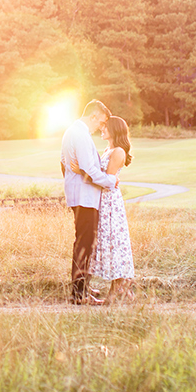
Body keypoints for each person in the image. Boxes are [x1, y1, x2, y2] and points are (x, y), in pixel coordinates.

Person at [61, 99, 118, 305]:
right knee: (85, 244)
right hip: (84, 197)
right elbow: (89, 170)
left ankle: (82, 287)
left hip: (78, 194)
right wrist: (111, 181)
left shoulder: (71, 132)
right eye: (101, 122)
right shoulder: (81, 134)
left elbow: (63, 163)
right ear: (93, 116)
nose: (101, 127)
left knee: (83, 242)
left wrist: (74, 179)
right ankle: (79, 294)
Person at [90, 115, 136, 301]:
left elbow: (108, 180)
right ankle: (123, 290)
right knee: (109, 241)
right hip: (104, 200)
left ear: (114, 130)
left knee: (114, 241)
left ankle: (118, 287)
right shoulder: (109, 149)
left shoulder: (118, 152)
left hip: (110, 202)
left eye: (105, 127)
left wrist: (84, 173)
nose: (102, 129)